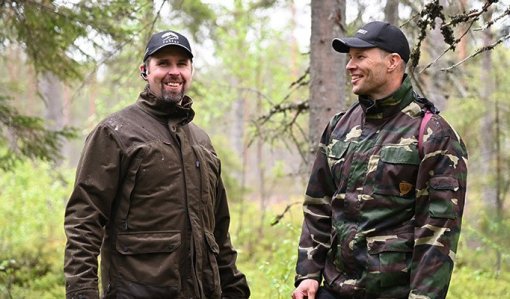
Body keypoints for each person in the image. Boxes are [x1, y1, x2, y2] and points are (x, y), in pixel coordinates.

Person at [64, 30, 250, 299]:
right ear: (145, 70)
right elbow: (84, 220)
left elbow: (218, 231)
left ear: (191, 71)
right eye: (163, 63)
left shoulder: (201, 142)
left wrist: (233, 288)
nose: (174, 72)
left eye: (181, 64)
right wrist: (82, 292)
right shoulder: (116, 132)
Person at [292, 21, 468, 299]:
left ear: (393, 62)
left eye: (360, 56)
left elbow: (437, 232)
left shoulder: (433, 134)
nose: (350, 65)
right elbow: (319, 204)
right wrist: (309, 274)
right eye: (349, 58)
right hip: (332, 290)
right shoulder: (340, 126)